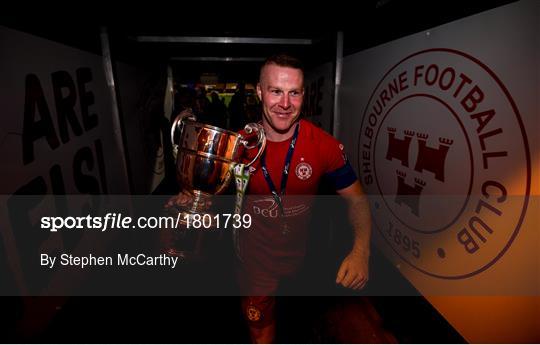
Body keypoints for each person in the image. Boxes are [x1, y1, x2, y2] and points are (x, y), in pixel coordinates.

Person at [236, 53, 372, 343]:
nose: (285, 104)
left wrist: (361, 251)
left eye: (293, 93)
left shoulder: (324, 146)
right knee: (261, 334)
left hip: (307, 263)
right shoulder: (238, 146)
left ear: (303, 94)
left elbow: (357, 200)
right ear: (259, 91)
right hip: (255, 264)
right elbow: (210, 201)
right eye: (275, 91)